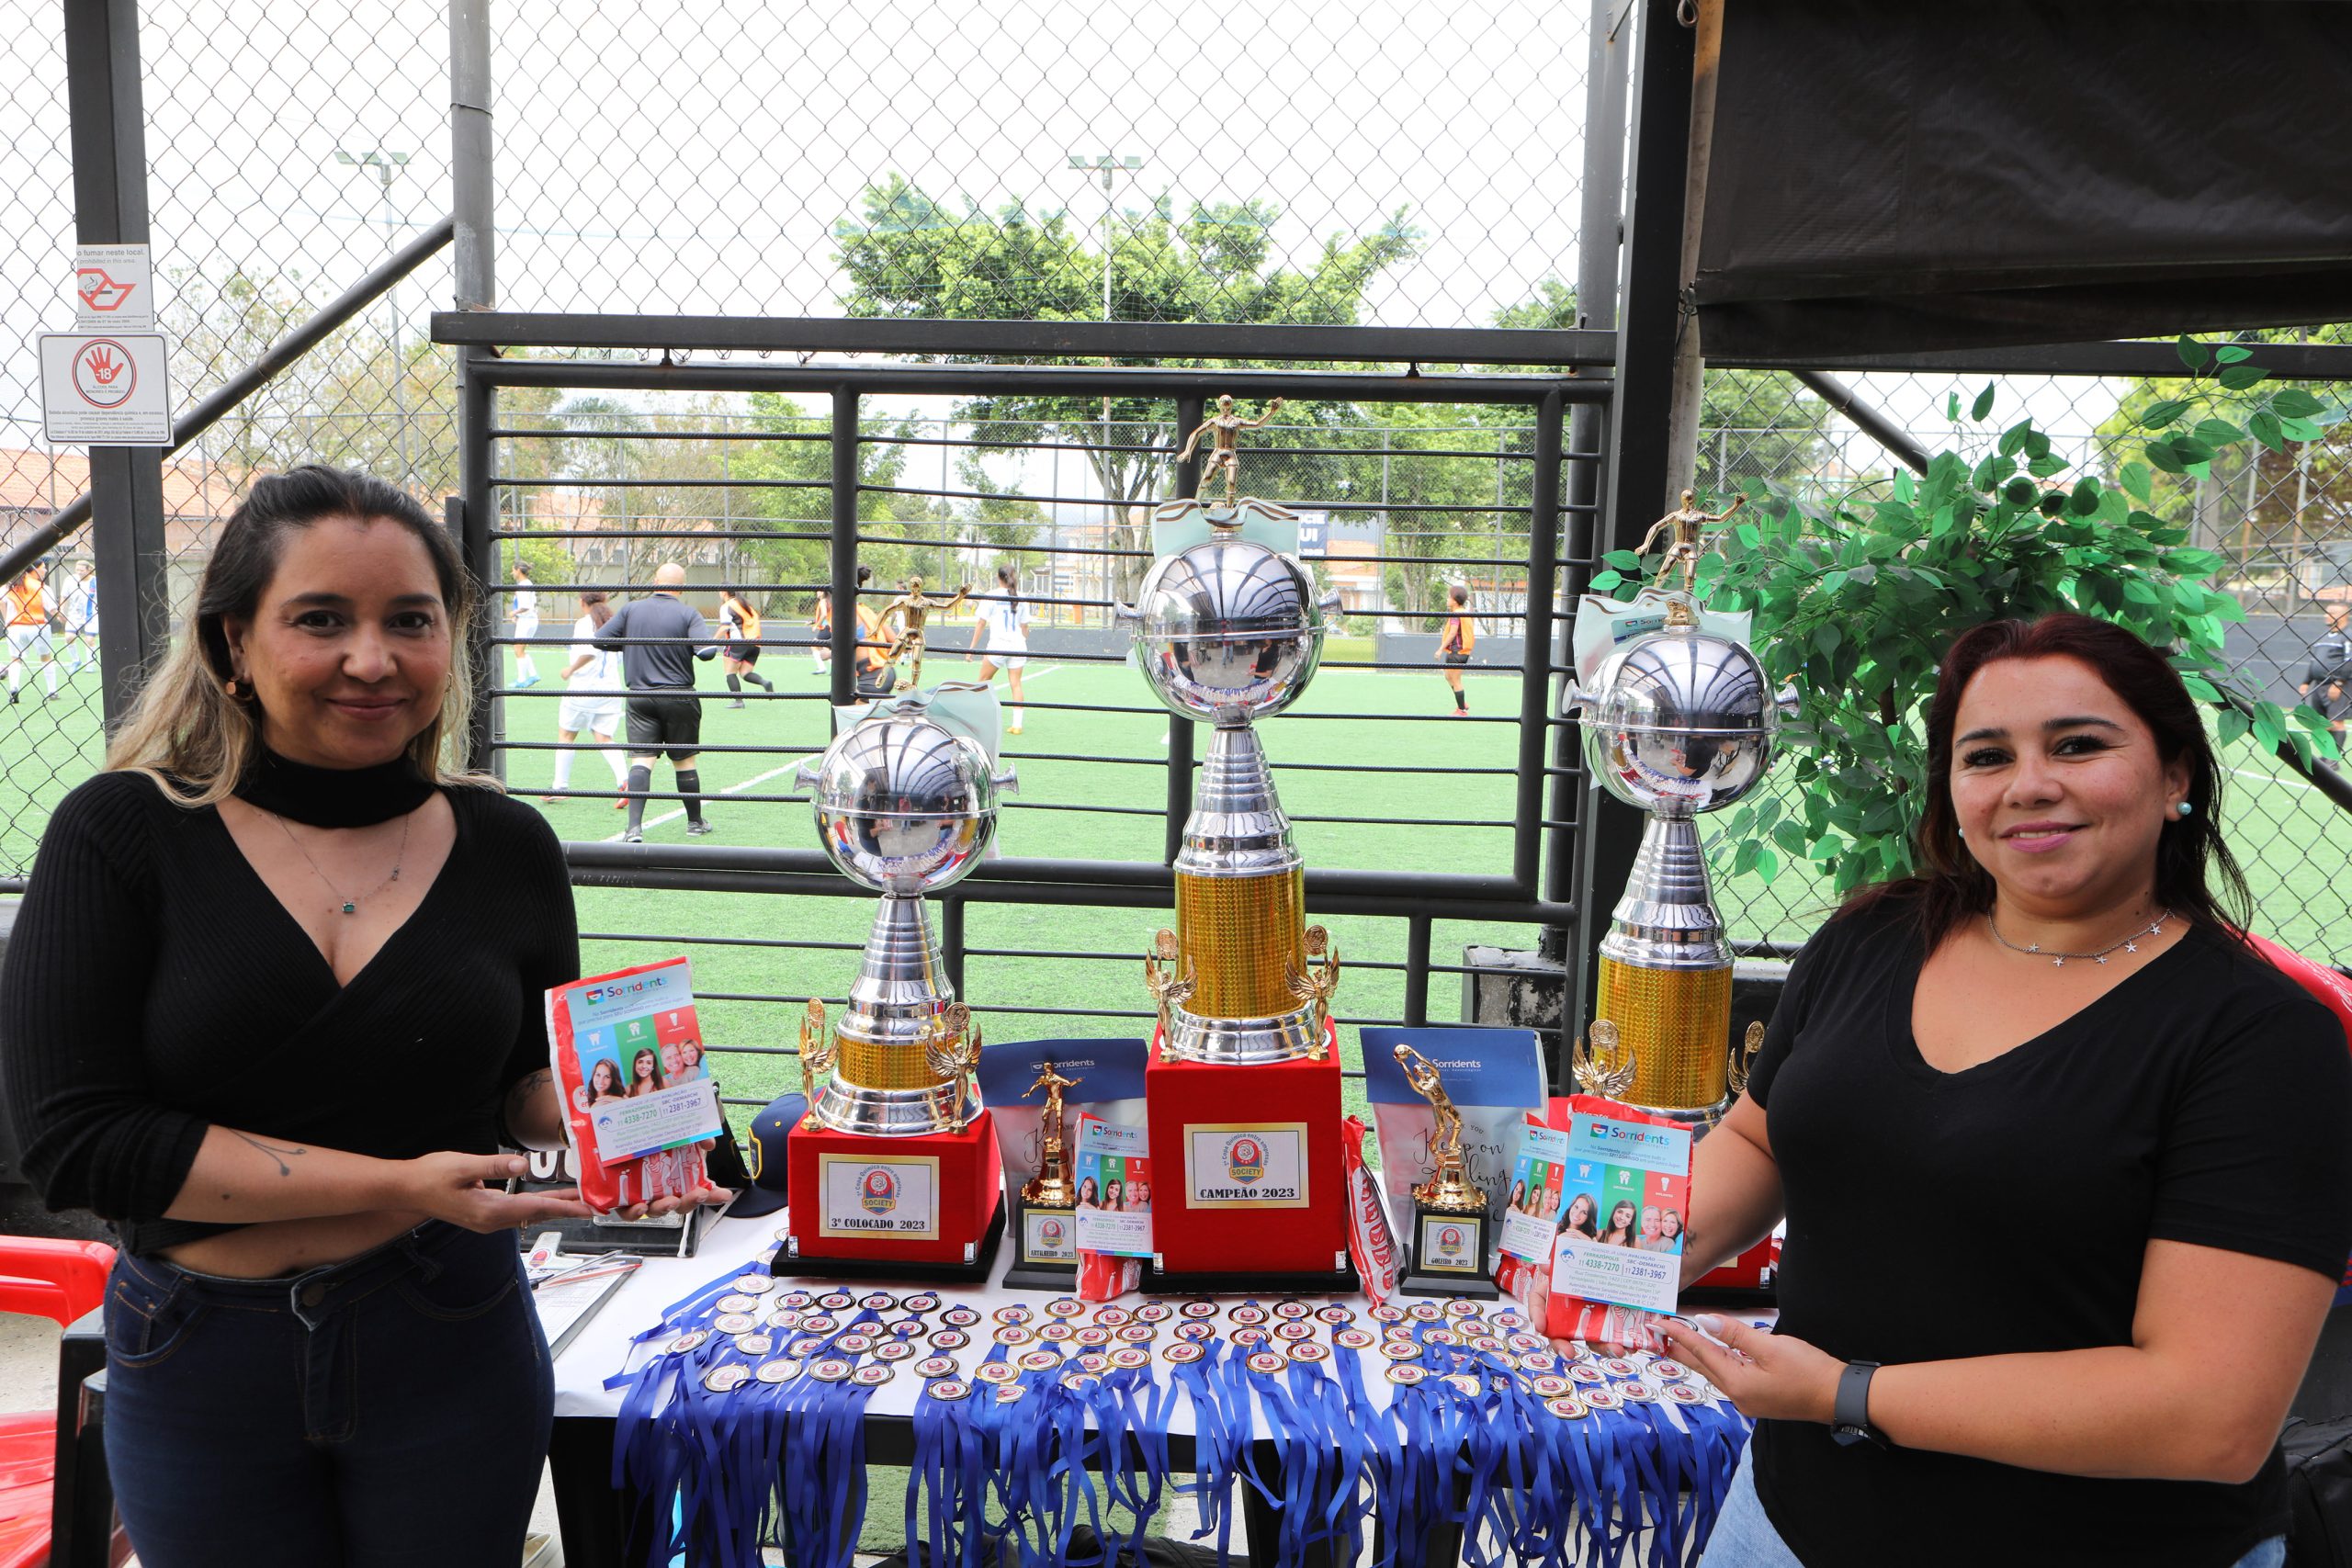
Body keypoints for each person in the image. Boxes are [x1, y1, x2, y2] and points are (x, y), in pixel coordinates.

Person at [0, 464, 718, 1568]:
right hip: (198, 1349)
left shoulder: (506, 846)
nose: (372, 659)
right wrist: (399, 1181)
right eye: (321, 619)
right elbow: (80, 1145)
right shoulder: (123, 833)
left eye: (409, 621)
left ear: (452, 641)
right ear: (233, 641)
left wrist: (611, 1109)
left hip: (446, 1328)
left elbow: (515, 1088)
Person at [1661, 612, 2352, 1568]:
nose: (2029, 785)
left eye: (2077, 745)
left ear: (2176, 777)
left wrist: (1844, 1395)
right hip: (1786, 1525)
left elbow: (2209, 1417)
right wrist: (1624, 1236)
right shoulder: (1874, 940)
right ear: (1951, 791)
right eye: (1985, 756)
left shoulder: (2261, 1040)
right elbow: (1758, 1142)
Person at [594, 562, 722, 843]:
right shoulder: (688, 613)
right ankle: (695, 823)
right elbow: (707, 653)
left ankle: (633, 829)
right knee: (685, 762)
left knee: (642, 761)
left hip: (640, 697)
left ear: (655, 581)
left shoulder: (630, 609)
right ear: (683, 586)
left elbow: (600, 640)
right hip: (679, 697)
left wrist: (631, 644)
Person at [548, 591, 628, 807]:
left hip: (584, 689)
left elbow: (588, 652)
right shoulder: (614, 622)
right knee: (604, 738)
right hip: (611, 690)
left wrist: (570, 669)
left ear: (583, 602)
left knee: (566, 735)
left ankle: (560, 787)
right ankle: (624, 781)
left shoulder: (585, 623)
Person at [974, 564, 1035, 734]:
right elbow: (1025, 626)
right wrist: (1022, 639)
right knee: (1016, 684)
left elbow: (981, 622)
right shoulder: (1021, 596)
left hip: (998, 645)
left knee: (982, 682)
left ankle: (981, 721)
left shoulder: (991, 596)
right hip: (1018, 646)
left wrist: (971, 648)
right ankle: (1017, 725)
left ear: (998, 578)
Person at [2299, 600, 2352, 762]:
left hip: (2338, 685)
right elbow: (2314, 661)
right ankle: (2325, 755)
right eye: (2326, 611)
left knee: (2336, 721)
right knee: (2322, 723)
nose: (2326, 615)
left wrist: (2339, 683)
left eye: (2332, 612)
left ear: (2345, 615)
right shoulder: (2324, 637)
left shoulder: (2348, 636)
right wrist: (2306, 681)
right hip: (2319, 685)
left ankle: (2333, 760)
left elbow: (2349, 661)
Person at [6, 564, 57, 705]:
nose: (45, 570)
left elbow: (2, 602)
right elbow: (53, 609)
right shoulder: (41, 587)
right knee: (46, 657)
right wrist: (63, 618)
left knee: (15, 659)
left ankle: (14, 687)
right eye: (43, 567)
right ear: (34, 570)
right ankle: (52, 690)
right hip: (38, 626)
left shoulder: (10, 586)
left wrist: (6, 621)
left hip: (15, 627)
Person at [718, 587, 775, 709]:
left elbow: (724, 627)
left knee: (730, 673)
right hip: (755, 644)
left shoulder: (727, 606)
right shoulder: (745, 604)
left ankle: (738, 701)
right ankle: (764, 682)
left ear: (724, 592)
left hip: (739, 643)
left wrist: (711, 641)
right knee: (745, 673)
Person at [851, 564, 894, 698]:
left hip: (870, 678)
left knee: (846, 715)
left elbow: (841, 652)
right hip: (887, 673)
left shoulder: (843, 615)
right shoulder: (868, 612)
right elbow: (895, 640)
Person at [1437, 583, 1475, 716]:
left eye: (1449, 597)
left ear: (1455, 600)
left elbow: (1452, 633)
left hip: (1457, 653)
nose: (1447, 599)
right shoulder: (1463, 613)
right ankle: (1462, 702)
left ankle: (1462, 710)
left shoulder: (1457, 615)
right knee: (1448, 676)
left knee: (1456, 680)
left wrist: (1440, 649)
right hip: (1457, 652)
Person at [509, 559, 541, 689]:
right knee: (520, 649)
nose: (512, 573)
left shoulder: (524, 585)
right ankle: (533, 674)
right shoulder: (527, 584)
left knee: (518, 649)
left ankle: (522, 679)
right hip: (529, 620)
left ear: (518, 570)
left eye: (513, 570)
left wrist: (514, 613)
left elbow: (526, 606)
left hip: (527, 621)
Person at [64, 559, 99, 675]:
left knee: (89, 639)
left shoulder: (95, 581)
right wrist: (61, 610)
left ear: (89, 570)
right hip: (74, 615)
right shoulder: (70, 580)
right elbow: (64, 596)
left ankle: (90, 664)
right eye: (77, 570)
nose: (79, 572)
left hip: (91, 615)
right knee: (69, 637)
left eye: (82, 570)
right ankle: (75, 660)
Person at [809, 585, 832, 676]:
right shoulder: (828, 601)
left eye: (818, 591)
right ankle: (834, 669)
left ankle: (821, 667)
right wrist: (812, 622)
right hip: (830, 628)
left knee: (814, 645)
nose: (817, 593)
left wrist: (816, 625)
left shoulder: (823, 601)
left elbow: (824, 615)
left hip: (826, 628)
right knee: (826, 648)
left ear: (822, 592)